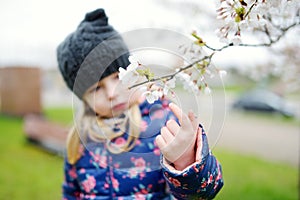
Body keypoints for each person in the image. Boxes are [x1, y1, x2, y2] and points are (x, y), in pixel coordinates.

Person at [57, 8, 223, 200]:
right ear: (83, 99)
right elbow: (70, 193)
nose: (111, 93)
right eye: (97, 89)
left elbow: (203, 193)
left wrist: (185, 162)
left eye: (117, 77)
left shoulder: (162, 123)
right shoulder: (80, 138)